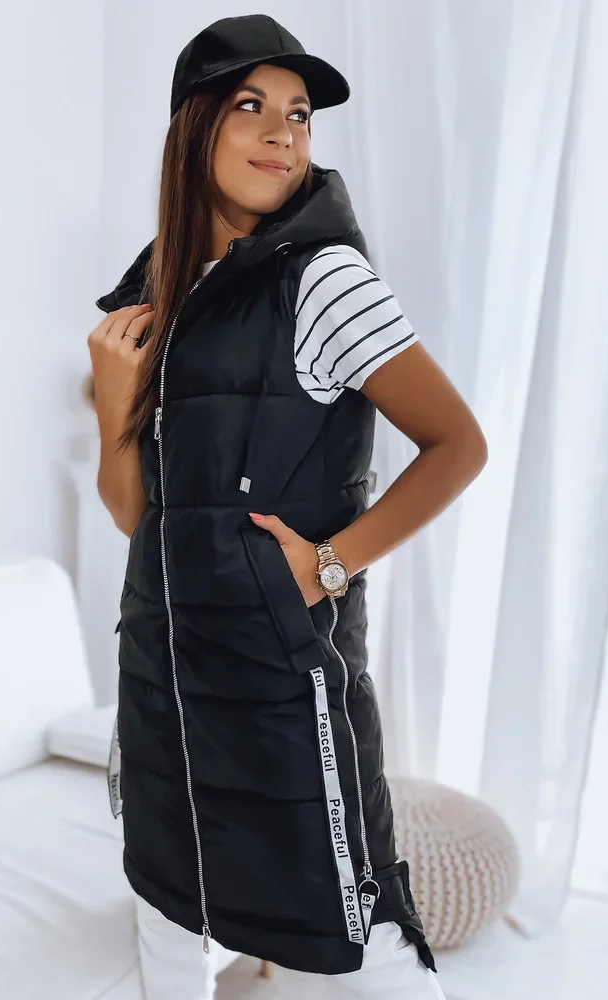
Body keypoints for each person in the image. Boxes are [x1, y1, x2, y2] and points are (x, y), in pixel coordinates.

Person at [88, 14, 486, 1000]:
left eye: (300, 115)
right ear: (193, 127)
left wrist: (331, 562)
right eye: (251, 106)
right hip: (163, 682)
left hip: (281, 691)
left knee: (357, 938)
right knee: (169, 924)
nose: (282, 134)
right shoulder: (159, 295)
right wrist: (113, 409)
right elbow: (139, 518)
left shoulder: (325, 280)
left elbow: (458, 445)